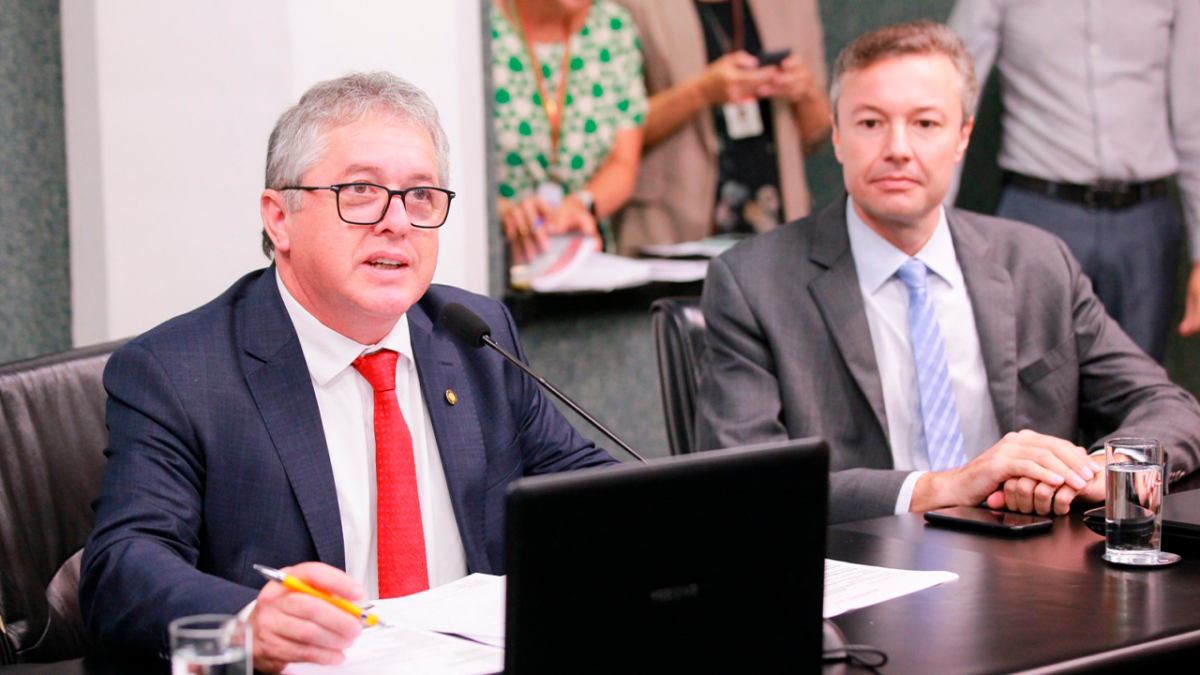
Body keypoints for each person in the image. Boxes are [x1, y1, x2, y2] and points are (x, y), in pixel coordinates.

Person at [79, 72, 616, 672]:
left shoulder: (474, 337)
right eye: (361, 190)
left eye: (421, 195)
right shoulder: (180, 372)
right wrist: (248, 621)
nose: (398, 221)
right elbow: (121, 566)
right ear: (279, 218)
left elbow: (594, 496)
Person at [693, 21, 1200, 525]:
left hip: (1027, 557)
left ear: (962, 138)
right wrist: (946, 488)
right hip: (860, 558)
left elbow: (1170, 407)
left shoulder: (1038, 263)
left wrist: (1100, 470)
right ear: (838, 136)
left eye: (925, 124)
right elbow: (745, 484)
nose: (897, 148)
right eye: (870, 123)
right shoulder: (754, 283)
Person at [947, 0, 1200, 362]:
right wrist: (928, 236)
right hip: (1038, 216)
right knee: (1031, 384)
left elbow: (1194, 114)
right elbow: (950, 98)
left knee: (1140, 387)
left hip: (1144, 228)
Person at [612, 0, 831, 255]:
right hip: (673, 227)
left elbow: (816, 136)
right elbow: (609, 132)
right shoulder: (629, 7)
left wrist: (806, 91)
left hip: (773, 226)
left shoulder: (793, 6)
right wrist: (701, 92)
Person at [491, 0, 647, 264]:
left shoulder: (613, 27)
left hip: (581, 255)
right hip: (490, 255)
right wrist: (499, 210)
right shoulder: (477, 23)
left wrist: (580, 204)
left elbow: (623, 163)